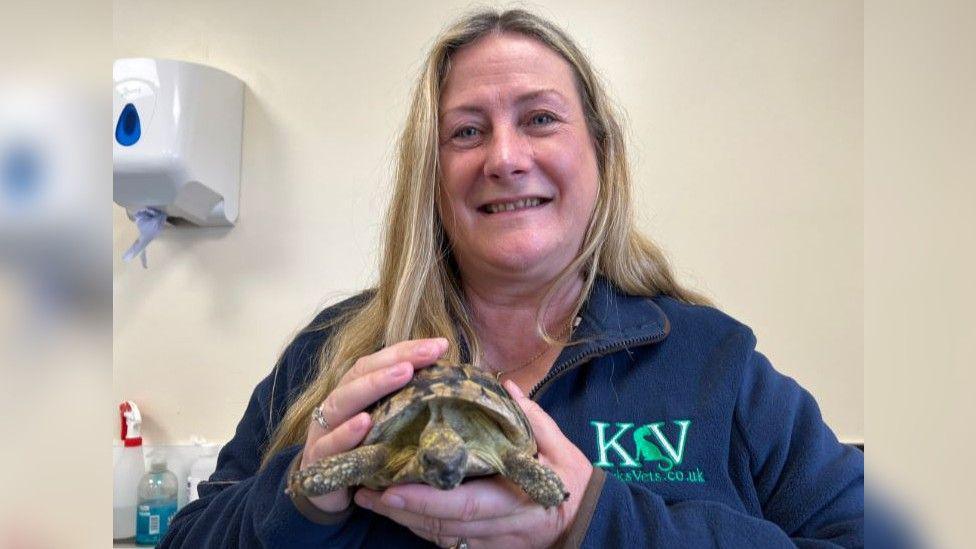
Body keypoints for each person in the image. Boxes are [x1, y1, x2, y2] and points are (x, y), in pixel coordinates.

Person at [160, 8, 863, 548]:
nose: (505, 157)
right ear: (430, 175)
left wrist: (591, 518)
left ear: (600, 154)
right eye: (467, 131)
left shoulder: (713, 362)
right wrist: (298, 498)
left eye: (540, 119)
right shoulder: (335, 354)